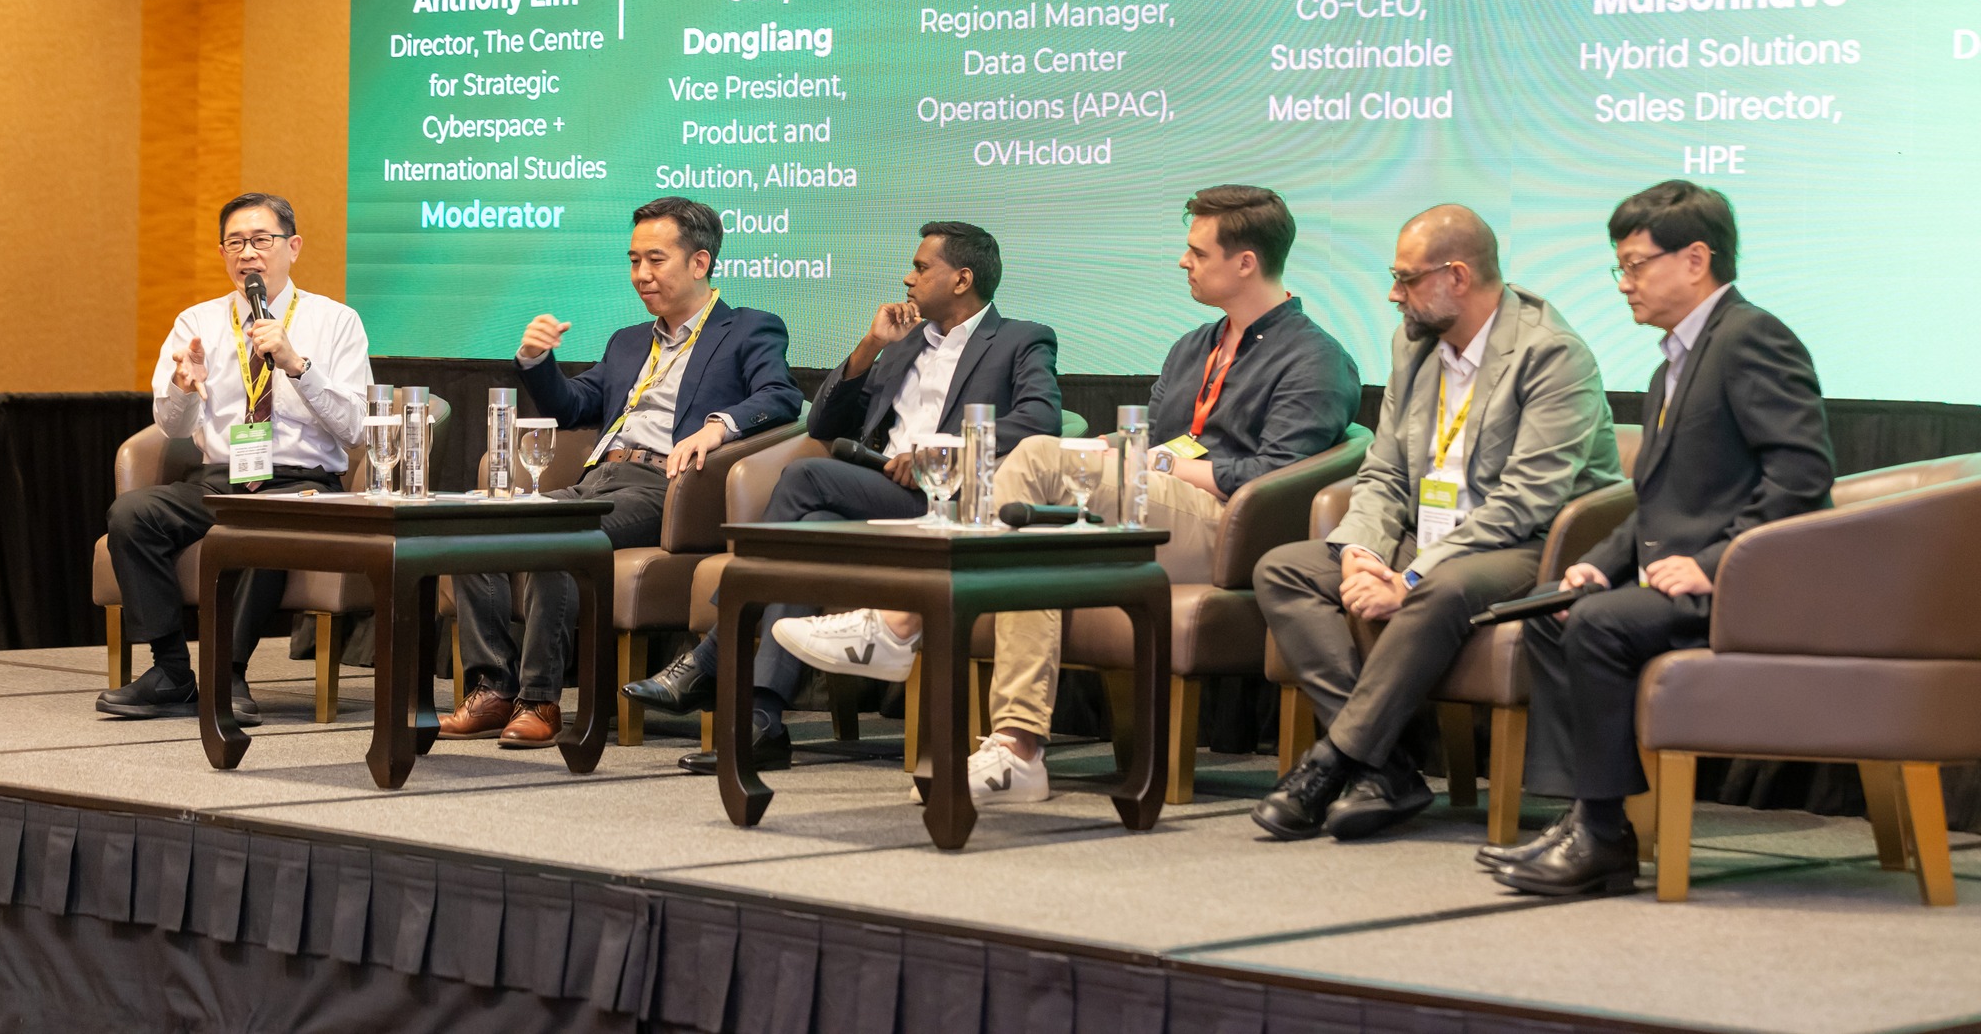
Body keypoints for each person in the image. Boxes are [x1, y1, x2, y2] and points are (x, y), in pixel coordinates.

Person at [775, 186, 1361, 804]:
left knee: (1033, 454)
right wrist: (1114, 449)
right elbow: (1147, 435)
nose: (1183, 261)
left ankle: (899, 625)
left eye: (1197, 252)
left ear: (1245, 262)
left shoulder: (1315, 357)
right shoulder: (1194, 346)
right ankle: (1017, 750)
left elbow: (1270, 477)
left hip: (1223, 525)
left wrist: (1154, 461)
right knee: (1033, 535)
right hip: (1145, 503)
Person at [1484, 181, 1833, 895]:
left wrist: (1716, 564)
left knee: (1602, 625)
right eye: (1621, 266)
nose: (1624, 283)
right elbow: (1659, 505)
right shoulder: (1670, 363)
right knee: (1555, 610)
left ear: (1696, 259)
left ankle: (1601, 837)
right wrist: (1596, 564)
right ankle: (1586, 818)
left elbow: (1802, 476)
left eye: (1636, 264)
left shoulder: (1750, 338)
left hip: (1753, 589)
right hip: (1696, 579)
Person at [625, 222, 1062, 774]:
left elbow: (1041, 420)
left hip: (952, 502)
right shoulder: (904, 345)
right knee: (811, 523)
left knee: (805, 479)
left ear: (962, 279)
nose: (907, 278)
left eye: (921, 267)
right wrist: (871, 345)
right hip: (883, 492)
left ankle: (713, 655)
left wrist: (941, 451)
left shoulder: (1021, 339)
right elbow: (827, 423)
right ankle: (762, 720)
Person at [1251, 206, 1623, 841]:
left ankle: (1334, 760)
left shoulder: (1552, 355)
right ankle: (1387, 768)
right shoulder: (1415, 344)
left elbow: (1526, 501)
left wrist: (1411, 577)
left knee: (1442, 588)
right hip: (1431, 534)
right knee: (1284, 569)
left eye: (1406, 278)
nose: (1393, 294)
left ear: (1457, 276)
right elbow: (1384, 469)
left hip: (1532, 544)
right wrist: (1362, 551)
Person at [441, 198, 802, 747]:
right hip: (598, 481)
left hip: (666, 489)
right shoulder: (629, 340)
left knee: (555, 532)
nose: (641, 274)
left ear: (700, 262)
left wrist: (718, 427)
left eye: (655, 260)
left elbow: (780, 395)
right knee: (476, 522)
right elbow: (573, 407)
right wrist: (537, 360)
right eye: (634, 261)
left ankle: (539, 700)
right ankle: (492, 690)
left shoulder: (749, 329)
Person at [100, 194, 372, 725]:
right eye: (235, 242)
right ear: (223, 252)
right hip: (219, 479)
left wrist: (298, 365)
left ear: (293, 247)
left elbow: (357, 427)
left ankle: (228, 672)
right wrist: (183, 389)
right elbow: (174, 428)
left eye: (261, 240)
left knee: (264, 517)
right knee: (131, 515)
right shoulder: (196, 321)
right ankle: (171, 671)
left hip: (303, 484)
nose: (248, 253)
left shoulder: (336, 321)